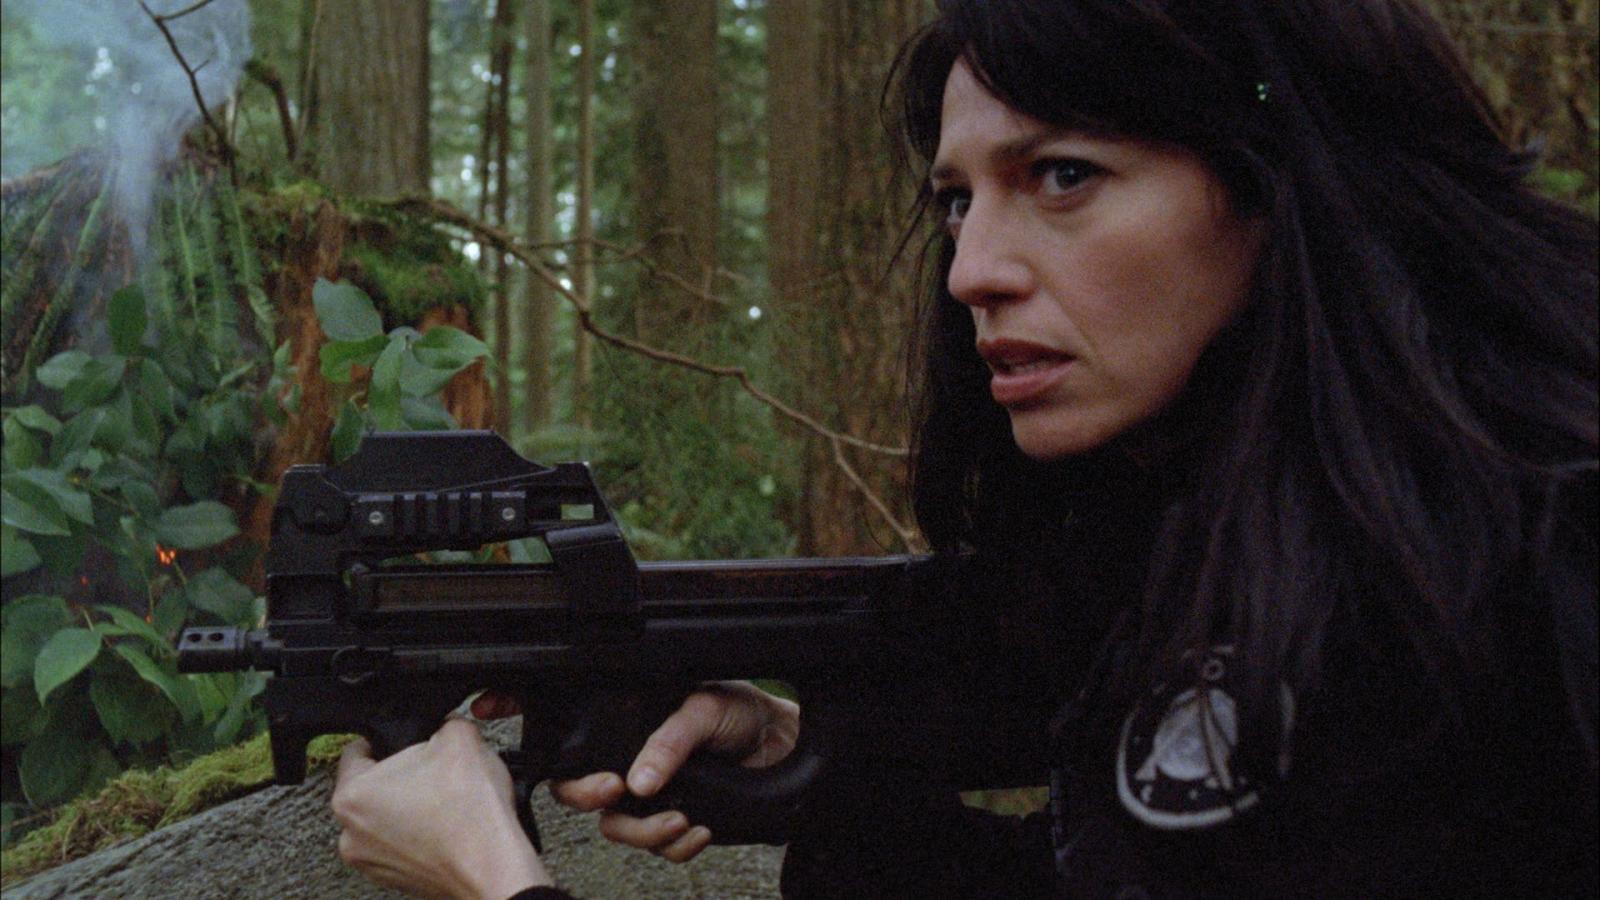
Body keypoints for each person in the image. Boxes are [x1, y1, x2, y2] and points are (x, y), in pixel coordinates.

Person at [330, 0, 1598, 896]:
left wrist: (492, 877)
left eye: (1061, 176)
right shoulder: (1231, 533)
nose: (971, 270)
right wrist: (801, 763)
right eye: (955, 200)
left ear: (1275, 185)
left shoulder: (1514, 576)